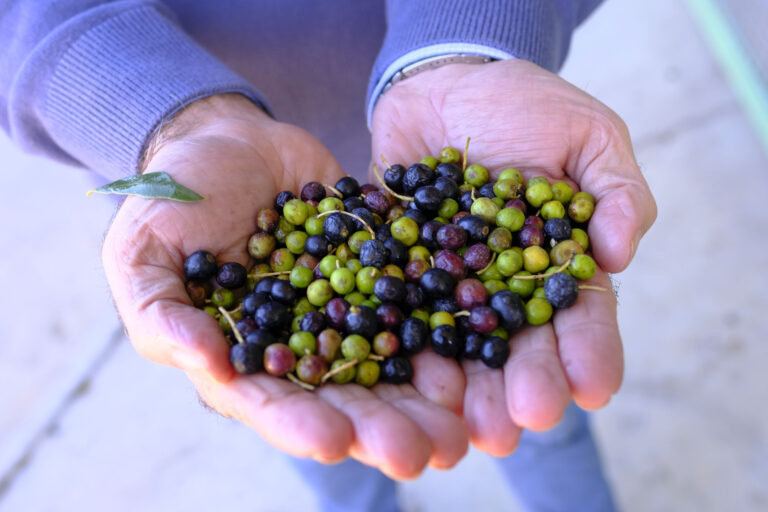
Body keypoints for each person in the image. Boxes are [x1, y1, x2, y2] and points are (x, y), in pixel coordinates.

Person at [1, 1, 657, 511]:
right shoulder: (274, 263)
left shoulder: (457, 240)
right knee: (321, 432)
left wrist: (463, 40)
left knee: (542, 410)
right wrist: (170, 120)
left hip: (449, 110)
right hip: (215, 184)